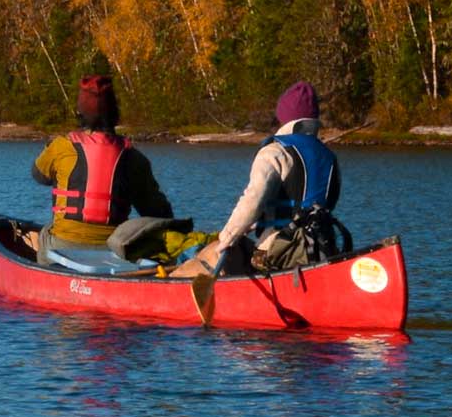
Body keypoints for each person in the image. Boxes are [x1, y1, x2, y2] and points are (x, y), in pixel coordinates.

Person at [173, 80, 343, 277]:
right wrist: (254, 224)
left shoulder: (275, 151)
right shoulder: (330, 157)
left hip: (279, 254)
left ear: (284, 117)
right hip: (324, 249)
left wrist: (227, 237)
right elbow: (317, 206)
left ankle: (173, 288)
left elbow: (253, 199)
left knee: (213, 252)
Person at [30, 74, 173, 265]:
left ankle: (45, 275)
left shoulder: (61, 146)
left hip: (63, 243)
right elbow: (158, 211)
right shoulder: (134, 158)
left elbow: (38, 175)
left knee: (45, 232)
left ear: (80, 113)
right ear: (114, 114)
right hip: (113, 249)